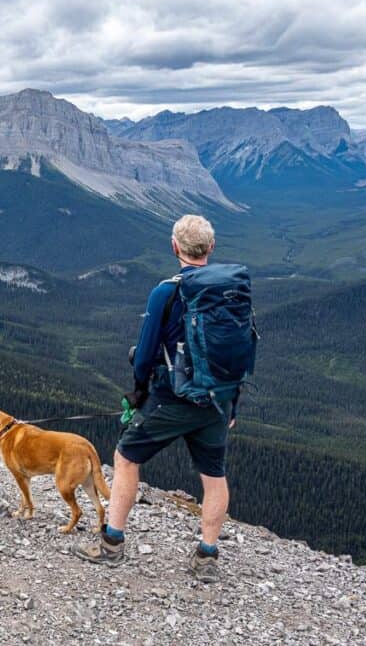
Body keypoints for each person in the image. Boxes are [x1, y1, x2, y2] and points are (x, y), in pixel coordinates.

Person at [72, 214, 237, 584]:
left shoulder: (167, 291)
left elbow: (145, 355)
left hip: (171, 399)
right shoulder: (231, 291)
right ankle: (207, 556)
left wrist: (139, 392)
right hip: (216, 402)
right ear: (211, 248)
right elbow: (239, 354)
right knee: (214, 477)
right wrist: (231, 405)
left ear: (174, 247)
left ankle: (111, 544)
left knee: (126, 458)